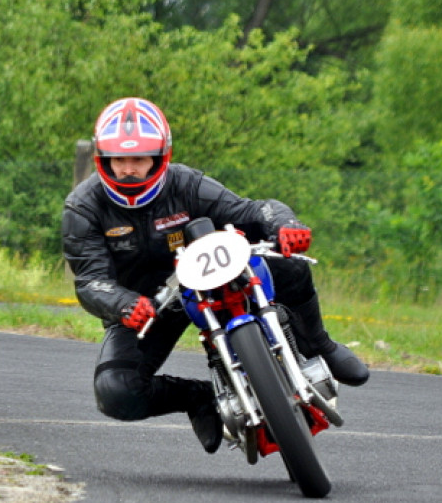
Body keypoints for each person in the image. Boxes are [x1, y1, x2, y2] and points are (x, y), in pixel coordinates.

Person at [61, 97, 368, 454]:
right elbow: (89, 281)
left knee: (292, 268)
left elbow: (255, 210)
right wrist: (124, 304)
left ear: (160, 159)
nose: (129, 169)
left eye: (139, 159)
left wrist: (286, 225)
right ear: (104, 160)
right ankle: (199, 399)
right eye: (120, 160)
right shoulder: (83, 206)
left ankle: (320, 345)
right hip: (146, 305)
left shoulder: (186, 183)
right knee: (116, 391)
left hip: (211, 277)